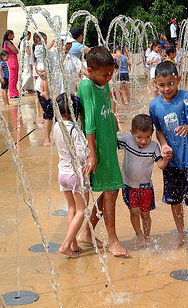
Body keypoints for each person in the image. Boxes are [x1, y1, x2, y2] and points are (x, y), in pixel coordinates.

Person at [149, 61, 188, 249]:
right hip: (172, 161)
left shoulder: (185, 97)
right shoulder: (154, 105)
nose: (167, 88)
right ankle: (181, 234)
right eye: (162, 85)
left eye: (171, 84)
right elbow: (158, 130)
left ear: (179, 80)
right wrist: (164, 144)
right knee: (174, 200)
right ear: (155, 84)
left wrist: (187, 127)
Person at [76, 46, 129, 257]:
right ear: (89, 70)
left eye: (111, 73)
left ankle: (87, 233)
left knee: (112, 188)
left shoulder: (101, 82)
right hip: (96, 144)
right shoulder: (87, 85)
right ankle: (112, 240)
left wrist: (114, 118)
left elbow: (107, 103)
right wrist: (91, 152)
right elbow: (89, 121)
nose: (109, 78)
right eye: (105, 74)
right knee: (112, 190)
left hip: (107, 139)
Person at [117, 114, 171, 247]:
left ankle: (146, 236)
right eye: (139, 137)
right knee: (134, 211)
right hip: (129, 186)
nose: (143, 141)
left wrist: (166, 158)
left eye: (147, 137)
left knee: (145, 214)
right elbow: (111, 144)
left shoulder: (153, 147)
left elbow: (160, 165)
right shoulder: (127, 140)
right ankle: (139, 234)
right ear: (132, 133)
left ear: (152, 133)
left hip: (146, 188)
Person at [54, 92, 89, 258]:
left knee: (72, 208)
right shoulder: (75, 130)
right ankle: (66, 245)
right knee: (82, 211)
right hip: (76, 175)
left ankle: (74, 244)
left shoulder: (56, 126)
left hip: (62, 173)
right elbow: (82, 154)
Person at [33, 32, 56, 146]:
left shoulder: (42, 51)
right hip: (43, 83)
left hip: (54, 86)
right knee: (48, 113)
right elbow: (37, 65)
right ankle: (47, 138)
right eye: (44, 40)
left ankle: (56, 136)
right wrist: (40, 72)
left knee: (56, 113)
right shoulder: (42, 50)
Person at [2, 30, 20, 98]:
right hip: (11, 59)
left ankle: (15, 91)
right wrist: (16, 50)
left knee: (15, 76)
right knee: (12, 77)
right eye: (13, 35)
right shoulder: (7, 42)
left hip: (14, 59)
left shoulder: (9, 42)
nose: (13, 36)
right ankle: (12, 93)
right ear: (9, 35)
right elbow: (15, 50)